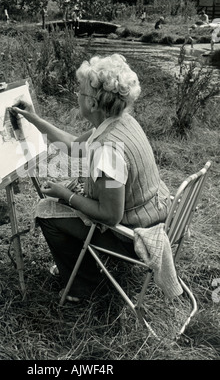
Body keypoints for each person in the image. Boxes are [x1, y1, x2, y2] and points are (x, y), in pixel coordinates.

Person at [10, 54, 171, 302]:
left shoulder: (108, 151)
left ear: (93, 104)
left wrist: (67, 195)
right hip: (154, 216)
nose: (77, 95)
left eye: (81, 92)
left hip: (131, 239)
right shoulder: (119, 121)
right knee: (64, 202)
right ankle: (84, 268)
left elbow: (110, 215)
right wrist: (35, 120)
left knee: (45, 211)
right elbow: (75, 147)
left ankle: (84, 287)